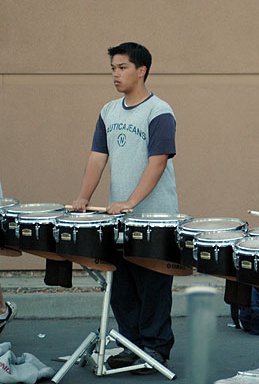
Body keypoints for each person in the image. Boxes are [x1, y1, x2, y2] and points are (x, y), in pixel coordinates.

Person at [71, 42, 178, 373]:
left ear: (141, 70)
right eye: (113, 69)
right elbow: (97, 157)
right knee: (122, 285)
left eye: (122, 68)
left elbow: (158, 162)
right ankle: (131, 345)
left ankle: (156, 349)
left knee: (153, 285)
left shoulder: (159, 111)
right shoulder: (108, 111)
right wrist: (83, 197)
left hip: (155, 219)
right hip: (118, 218)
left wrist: (131, 202)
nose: (115, 74)